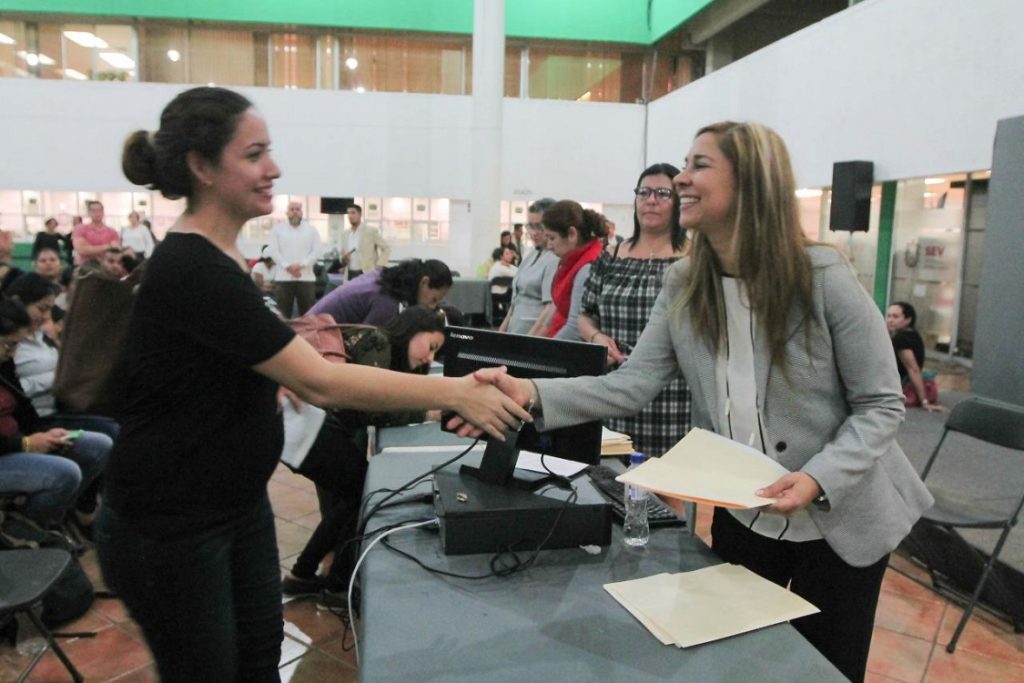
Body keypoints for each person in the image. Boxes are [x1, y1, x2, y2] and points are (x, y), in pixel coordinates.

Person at [476, 121, 934, 683]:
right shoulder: (686, 281)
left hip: (843, 523)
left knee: (825, 670)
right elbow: (632, 383)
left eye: (699, 165)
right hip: (746, 513)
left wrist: (818, 478)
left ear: (751, 180)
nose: (681, 179)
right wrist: (530, 391)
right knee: (741, 665)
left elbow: (882, 404)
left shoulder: (823, 276)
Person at [97, 86, 527, 683]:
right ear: (201, 166)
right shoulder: (193, 267)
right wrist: (455, 392)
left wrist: (262, 376)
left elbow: (247, 358)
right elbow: (322, 382)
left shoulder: (222, 259)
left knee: (258, 657)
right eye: (254, 155)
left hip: (233, 503)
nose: (273, 168)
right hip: (172, 524)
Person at [281, 306, 447, 607]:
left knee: (353, 496)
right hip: (306, 426)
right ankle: (336, 585)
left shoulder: (382, 348)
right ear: (413, 330)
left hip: (306, 426)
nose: (430, 357)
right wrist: (427, 411)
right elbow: (371, 407)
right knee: (363, 494)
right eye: (431, 346)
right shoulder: (377, 342)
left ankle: (305, 574)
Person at [577, 163, 691, 456]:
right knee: (614, 470)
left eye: (662, 193)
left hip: (676, 396)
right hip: (618, 387)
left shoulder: (696, 258)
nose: (651, 200)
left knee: (670, 477)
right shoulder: (611, 255)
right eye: (644, 192)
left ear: (679, 202)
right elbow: (585, 315)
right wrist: (596, 338)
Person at [0, 295, 112, 531]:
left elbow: (23, 408)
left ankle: (61, 517)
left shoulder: (4, 362)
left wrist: (43, 434)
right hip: (8, 448)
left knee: (97, 444)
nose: (12, 353)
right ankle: (24, 532)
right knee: (65, 474)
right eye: (9, 345)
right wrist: (25, 443)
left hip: (18, 439)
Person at [311, 257, 452, 326]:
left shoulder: (382, 277)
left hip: (308, 331)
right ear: (424, 282)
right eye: (434, 300)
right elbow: (366, 347)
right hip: (313, 341)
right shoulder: (386, 300)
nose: (432, 307)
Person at [542, 200, 607, 340]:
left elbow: (574, 328)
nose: (549, 245)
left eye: (552, 238)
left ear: (572, 234)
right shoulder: (572, 262)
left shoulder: (587, 269)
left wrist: (544, 349)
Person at [503, 197, 559, 335]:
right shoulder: (531, 254)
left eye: (539, 227)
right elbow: (515, 301)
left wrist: (531, 339)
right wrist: (501, 332)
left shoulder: (555, 258)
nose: (534, 232)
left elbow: (550, 308)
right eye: (530, 226)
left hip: (533, 334)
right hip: (515, 329)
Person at [886, 301, 943, 412]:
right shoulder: (912, 334)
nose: (890, 320)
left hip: (901, 384)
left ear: (908, 320)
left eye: (895, 316)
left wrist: (924, 401)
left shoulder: (901, 338)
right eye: (888, 316)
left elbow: (913, 369)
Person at [267, 201, 321, 316]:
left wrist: (301, 265)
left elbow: (316, 252)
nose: (295, 212)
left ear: (302, 212)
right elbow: (273, 251)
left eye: (297, 209)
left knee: (308, 316)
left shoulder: (311, 230)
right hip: (283, 278)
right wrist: (288, 267)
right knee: (283, 315)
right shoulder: (277, 230)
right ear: (287, 213)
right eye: (292, 209)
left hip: (306, 278)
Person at [338, 204, 389, 280]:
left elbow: (386, 248)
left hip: (366, 273)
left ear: (360, 215)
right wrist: (344, 259)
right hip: (350, 274)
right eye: (348, 213)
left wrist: (379, 265)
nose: (350, 216)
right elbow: (342, 255)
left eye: (353, 213)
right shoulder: (344, 234)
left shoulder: (370, 231)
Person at [72, 200, 120, 266]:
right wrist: (107, 247)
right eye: (94, 211)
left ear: (103, 212)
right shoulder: (80, 229)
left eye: (99, 210)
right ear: (89, 213)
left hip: (106, 267)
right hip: (84, 267)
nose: (97, 213)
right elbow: (81, 250)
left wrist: (90, 248)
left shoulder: (112, 232)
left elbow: (115, 251)